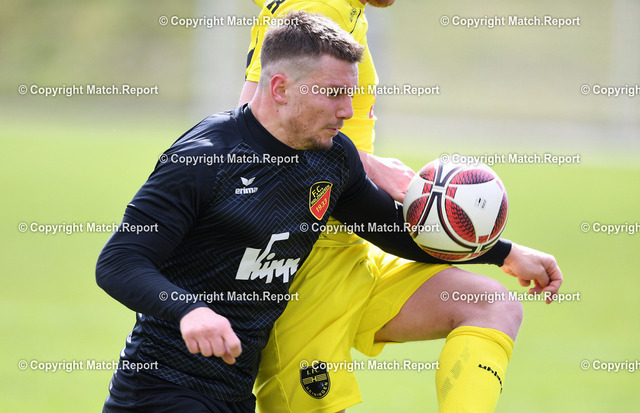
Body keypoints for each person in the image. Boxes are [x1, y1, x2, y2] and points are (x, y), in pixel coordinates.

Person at [95, 10, 502, 413]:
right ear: (280, 88)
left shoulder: (331, 157)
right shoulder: (205, 158)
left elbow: (396, 233)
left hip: (233, 394)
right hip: (160, 390)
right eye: (333, 93)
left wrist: (503, 253)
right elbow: (119, 261)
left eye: (351, 94)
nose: (347, 111)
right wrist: (190, 310)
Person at [240, 2, 563, 412]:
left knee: (492, 305)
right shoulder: (320, 6)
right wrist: (371, 165)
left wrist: (504, 252)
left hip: (354, 250)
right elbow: (257, 129)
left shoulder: (345, 7)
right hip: (306, 264)